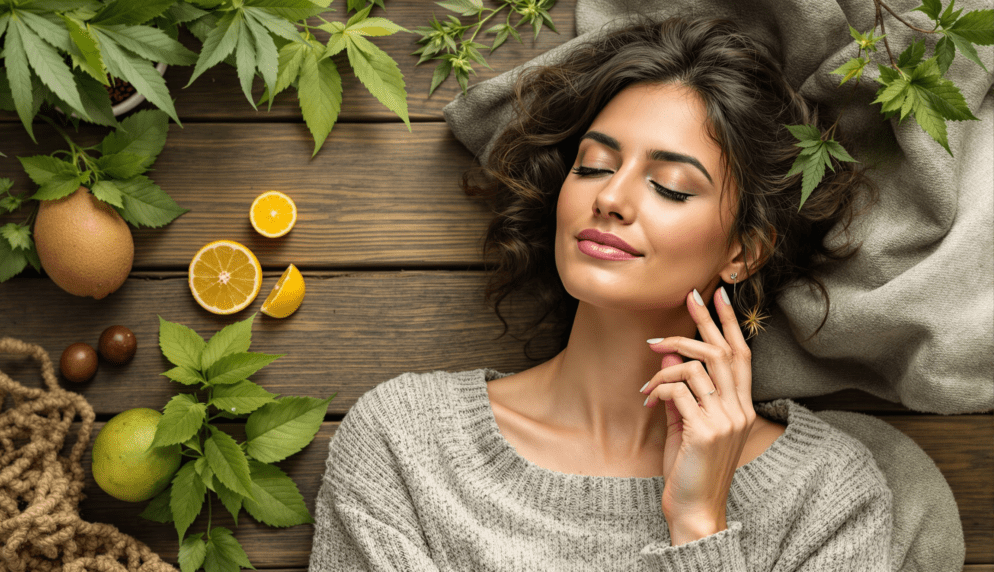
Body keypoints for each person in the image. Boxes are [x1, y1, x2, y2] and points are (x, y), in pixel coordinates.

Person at [307, 17, 910, 570]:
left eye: (670, 186)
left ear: (744, 251)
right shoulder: (407, 443)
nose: (611, 198)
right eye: (594, 166)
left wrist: (700, 526)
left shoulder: (825, 496)